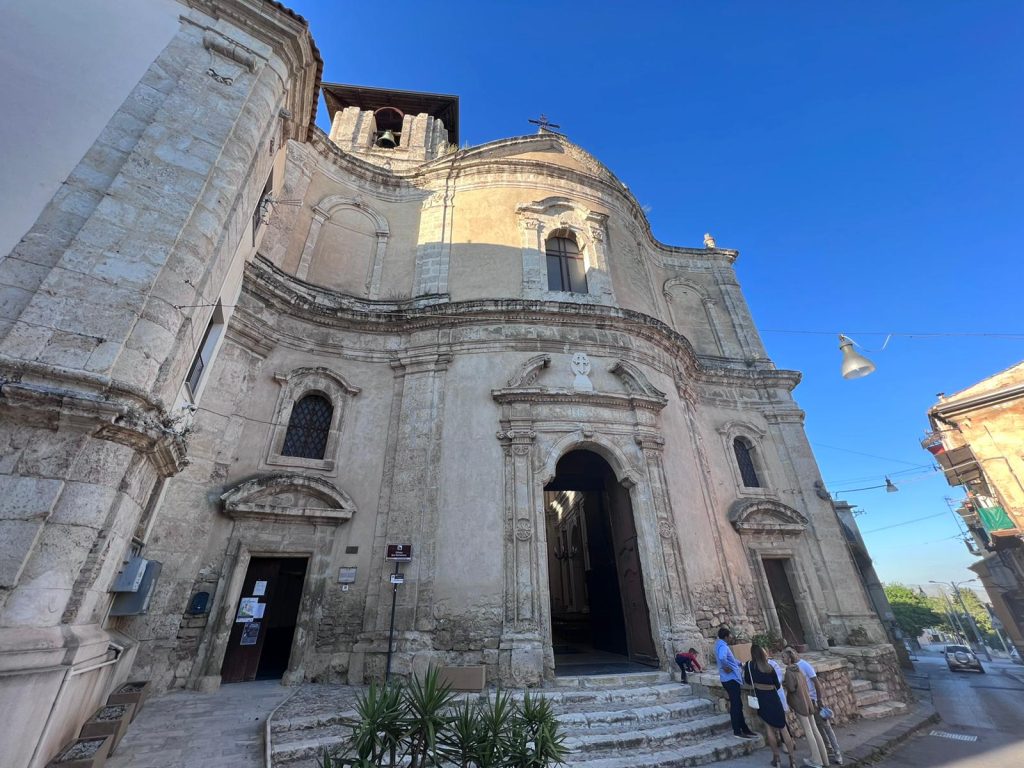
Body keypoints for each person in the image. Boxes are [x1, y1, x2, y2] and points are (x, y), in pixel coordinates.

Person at [744, 644, 797, 768]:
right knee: (783, 728)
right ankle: (792, 760)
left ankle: (777, 759)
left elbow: (747, 680)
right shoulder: (770, 667)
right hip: (773, 699)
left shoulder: (749, 666)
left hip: (762, 700)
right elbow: (777, 685)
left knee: (769, 729)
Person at [789, 648, 843, 765]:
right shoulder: (793, 668)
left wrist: (819, 700)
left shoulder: (804, 665)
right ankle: (827, 750)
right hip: (806, 701)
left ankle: (837, 752)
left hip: (813, 700)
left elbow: (816, 683)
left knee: (826, 727)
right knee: (817, 728)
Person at [782, 648, 828, 768]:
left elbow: (792, 688)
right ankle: (824, 759)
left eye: (783, 657)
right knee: (815, 730)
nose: (782, 660)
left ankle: (816, 759)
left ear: (789, 659)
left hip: (799, 703)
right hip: (808, 702)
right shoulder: (799, 669)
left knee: (808, 731)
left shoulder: (789, 672)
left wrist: (785, 684)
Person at [716, 627, 758, 739]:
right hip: (730, 679)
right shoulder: (723, 646)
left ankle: (744, 728)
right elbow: (722, 657)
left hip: (729, 679)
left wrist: (739, 663)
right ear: (726, 637)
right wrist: (726, 667)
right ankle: (737, 731)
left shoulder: (720, 645)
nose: (731, 638)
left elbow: (729, 659)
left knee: (738, 705)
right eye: (730, 636)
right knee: (736, 706)